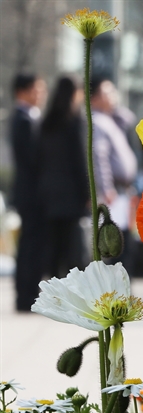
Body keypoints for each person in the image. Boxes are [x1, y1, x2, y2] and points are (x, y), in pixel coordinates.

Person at [37, 75, 89, 279]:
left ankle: (52, 286)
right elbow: (80, 160)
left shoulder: (46, 122)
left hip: (49, 192)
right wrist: (87, 193)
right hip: (71, 193)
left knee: (53, 245)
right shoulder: (75, 121)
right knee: (72, 248)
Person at [9, 73, 47, 312]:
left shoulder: (26, 117)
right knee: (30, 245)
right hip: (31, 193)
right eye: (37, 89)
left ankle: (29, 293)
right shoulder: (23, 119)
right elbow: (34, 158)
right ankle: (26, 296)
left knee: (31, 243)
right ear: (22, 92)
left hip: (30, 192)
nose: (40, 94)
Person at [90, 78, 138, 267]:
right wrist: (106, 187)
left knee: (126, 241)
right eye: (107, 92)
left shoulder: (111, 119)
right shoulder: (97, 121)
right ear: (93, 98)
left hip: (123, 190)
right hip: (113, 192)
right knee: (118, 244)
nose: (113, 96)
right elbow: (99, 157)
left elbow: (129, 118)